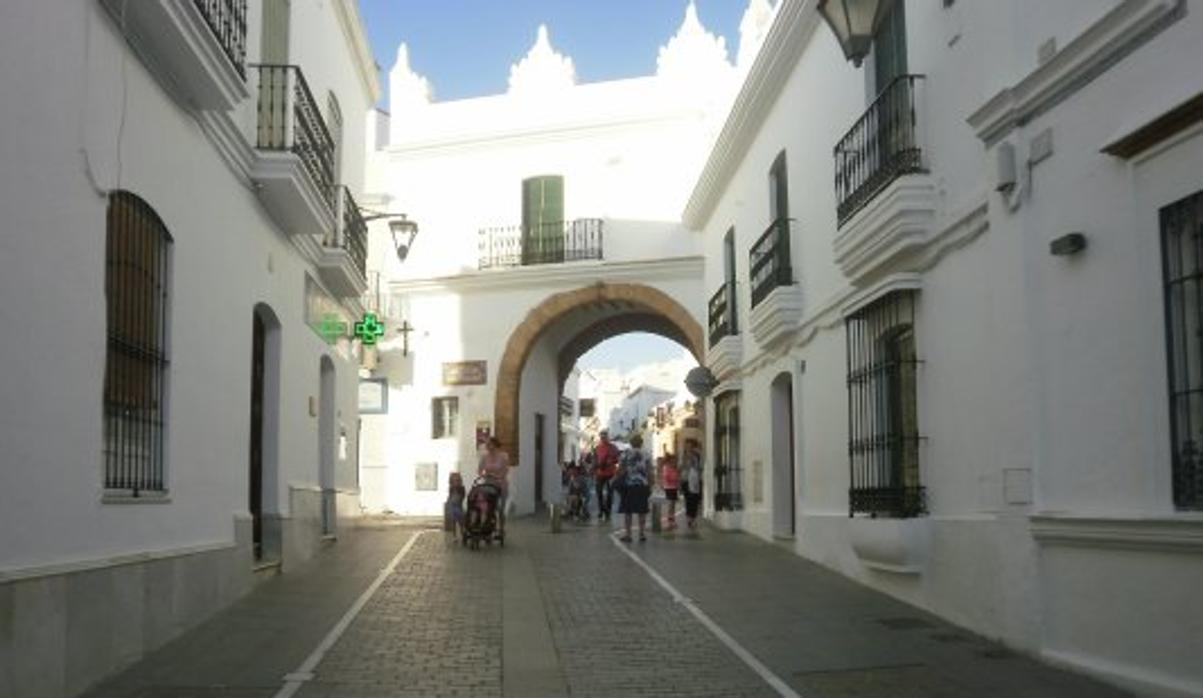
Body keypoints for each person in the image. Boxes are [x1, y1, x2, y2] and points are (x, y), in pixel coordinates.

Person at [617, 434, 652, 542]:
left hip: (629, 485)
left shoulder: (625, 454)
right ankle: (642, 534)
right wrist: (650, 484)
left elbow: (620, 469)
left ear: (631, 443)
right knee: (642, 510)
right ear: (641, 443)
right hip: (642, 484)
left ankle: (628, 534)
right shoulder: (646, 454)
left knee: (628, 511)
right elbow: (649, 470)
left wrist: (619, 478)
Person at [478, 436, 510, 537]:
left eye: (489, 444)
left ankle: (501, 529)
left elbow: (506, 471)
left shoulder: (503, 456)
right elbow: (479, 470)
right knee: (486, 506)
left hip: (500, 484)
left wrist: (497, 476)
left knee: (500, 508)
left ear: (495, 445)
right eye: (487, 445)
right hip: (488, 484)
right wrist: (483, 475)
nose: (487, 446)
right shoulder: (484, 456)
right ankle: (486, 525)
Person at [592, 430, 619, 521]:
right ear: (600, 438)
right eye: (602, 437)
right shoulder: (597, 448)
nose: (603, 438)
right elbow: (594, 459)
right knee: (598, 492)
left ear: (608, 437)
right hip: (600, 473)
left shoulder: (613, 447)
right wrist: (595, 466)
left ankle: (608, 511)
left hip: (611, 473)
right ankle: (601, 509)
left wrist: (611, 461)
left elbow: (617, 458)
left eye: (605, 437)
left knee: (610, 493)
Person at [681, 439, 703, 530]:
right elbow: (681, 466)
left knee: (694, 500)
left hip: (694, 481)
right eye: (686, 445)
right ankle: (689, 518)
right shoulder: (684, 455)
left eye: (689, 445)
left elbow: (700, 467)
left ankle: (693, 519)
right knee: (688, 500)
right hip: (686, 480)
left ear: (693, 446)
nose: (687, 447)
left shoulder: (697, 455)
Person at [658, 447, 680, 531]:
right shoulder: (667, 468)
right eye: (674, 460)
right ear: (670, 460)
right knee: (671, 505)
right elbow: (668, 477)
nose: (675, 462)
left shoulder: (672, 468)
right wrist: (676, 477)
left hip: (673, 487)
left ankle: (672, 521)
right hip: (669, 488)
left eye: (675, 460)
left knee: (673, 505)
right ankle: (670, 522)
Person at [446, 471, 466, 539]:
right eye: (453, 481)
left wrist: (457, 496)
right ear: (451, 481)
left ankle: (462, 533)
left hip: (459, 507)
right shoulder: (451, 488)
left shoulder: (461, 488)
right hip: (453, 507)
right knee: (453, 522)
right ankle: (454, 536)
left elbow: (462, 497)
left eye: (457, 480)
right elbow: (450, 497)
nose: (455, 482)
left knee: (461, 522)